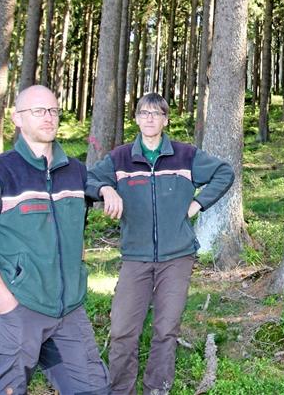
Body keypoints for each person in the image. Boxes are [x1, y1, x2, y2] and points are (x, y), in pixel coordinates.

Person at [0, 85, 110, 395]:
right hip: (19, 306)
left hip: (68, 308)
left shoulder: (76, 172)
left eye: (53, 110)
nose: (48, 117)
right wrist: (5, 302)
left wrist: (107, 190)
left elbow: (79, 222)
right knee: (5, 389)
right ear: (17, 118)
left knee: (94, 388)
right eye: (38, 111)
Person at [87, 92, 234, 395]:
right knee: (123, 330)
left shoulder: (184, 155)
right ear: (137, 118)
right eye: (143, 113)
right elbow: (86, 181)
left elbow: (224, 172)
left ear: (166, 119)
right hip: (135, 257)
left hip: (177, 257)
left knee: (166, 329)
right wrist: (105, 189)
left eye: (156, 113)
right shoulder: (121, 158)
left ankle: (157, 388)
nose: (149, 118)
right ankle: (119, 390)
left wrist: (198, 204)